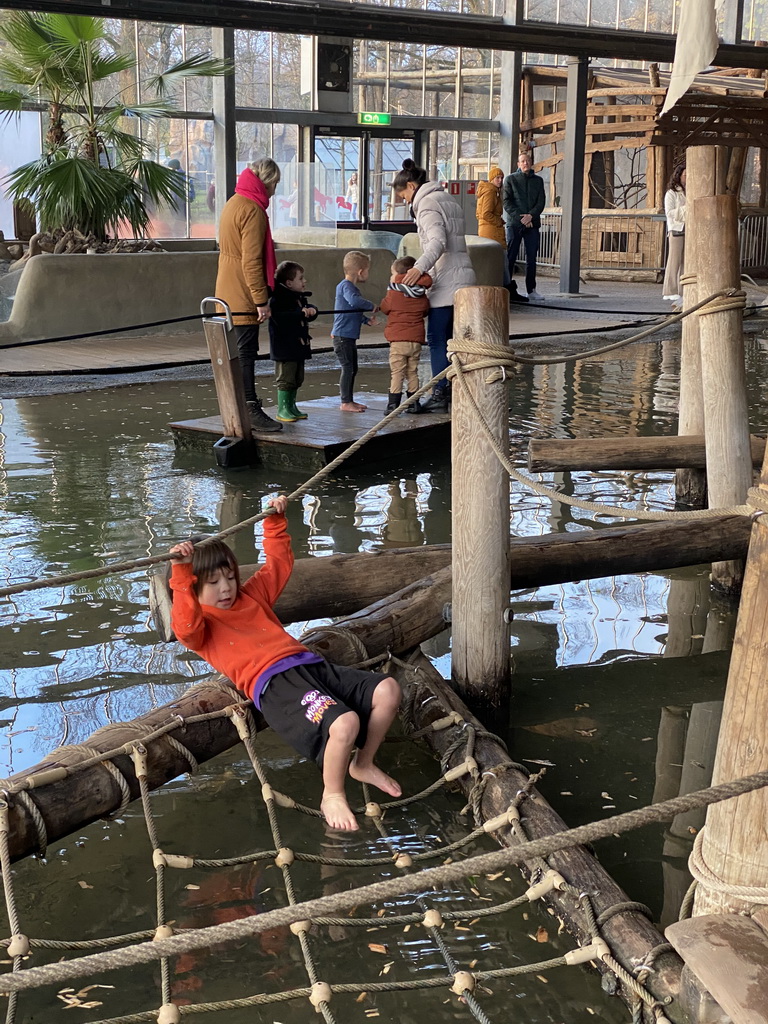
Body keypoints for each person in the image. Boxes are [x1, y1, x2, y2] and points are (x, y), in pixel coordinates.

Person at [168, 495, 402, 832]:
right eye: (213, 582)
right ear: (193, 588)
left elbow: (279, 564)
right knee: (345, 723)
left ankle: (363, 763)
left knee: (388, 690)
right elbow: (184, 625)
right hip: (275, 684)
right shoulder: (201, 627)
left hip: (309, 665)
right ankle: (332, 793)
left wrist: (275, 521)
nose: (226, 588)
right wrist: (180, 572)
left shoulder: (250, 596)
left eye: (230, 577)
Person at [391, 159, 476, 414]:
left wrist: (419, 268)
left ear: (411, 185)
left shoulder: (426, 204)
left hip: (446, 280)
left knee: (437, 340)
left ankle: (440, 392)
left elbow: (437, 242)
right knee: (455, 341)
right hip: (464, 278)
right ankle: (458, 391)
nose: (405, 201)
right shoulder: (445, 198)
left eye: (403, 194)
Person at [215, 157, 283, 433]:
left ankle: (239, 406)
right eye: (275, 184)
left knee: (238, 352)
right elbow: (251, 261)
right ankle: (250, 407)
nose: (275, 190)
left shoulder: (235, 201)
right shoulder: (253, 211)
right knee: (246, 353)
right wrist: (260, 300)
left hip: (226, 286)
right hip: (242, 292)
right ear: (265, 182)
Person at [379, 255, 431, 413]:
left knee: (397, 372)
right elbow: (425, 310)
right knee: (412, 371)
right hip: (415, 340)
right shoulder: (421, 294)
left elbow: (385, 308)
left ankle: (393, 404)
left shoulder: (393, 293)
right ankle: (414, 403)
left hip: (398, 339)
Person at [268, 261, 318, 423]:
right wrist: (299, 313)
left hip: (298, 347)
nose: (304, 281)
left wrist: (311, 310)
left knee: (297, 377)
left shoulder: (298, 298)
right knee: (286, 378)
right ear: (289, 283)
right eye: (301, 278)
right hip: (285, 347)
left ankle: (291, 406)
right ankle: (283, 408)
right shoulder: (278, 299)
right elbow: (281, 317)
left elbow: (302, 310)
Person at [331, 251, 378, 412]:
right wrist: (371, 305)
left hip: (348, 336)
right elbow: (354, 302)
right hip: (342, 336)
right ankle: (345, 402)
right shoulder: (346, 286)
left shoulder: (350, 287)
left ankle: (349, 399)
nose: (368, 274)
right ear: (360, 271)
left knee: (353, 367)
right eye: (368, 270)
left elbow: (353, 311)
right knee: (348, 367)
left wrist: (366, 320)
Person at [504, 151, 546, 302]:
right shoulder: (510, 180)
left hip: (532, 224)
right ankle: (507, 288)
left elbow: (541, 202)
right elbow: (507, 202)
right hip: (515, 224)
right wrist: (521, 217)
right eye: (522, 161)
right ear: (518, 164)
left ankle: (531, 290)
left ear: (531, 162)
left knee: (532, 258)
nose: (525, 163)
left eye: (527, 160)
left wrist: (531, 216)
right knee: (511, 256)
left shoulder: (538, 181)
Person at [663, 162, 686, 312]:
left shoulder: (691, 190)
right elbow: (670, 212)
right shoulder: (671, 193)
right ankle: (670, 291)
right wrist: (686, 209)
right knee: (674, 260)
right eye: (685, 175)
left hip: (690, 229)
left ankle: (683, 291)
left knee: (686, 262)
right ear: (679, 176)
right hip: (677, 229)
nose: (687, 177)